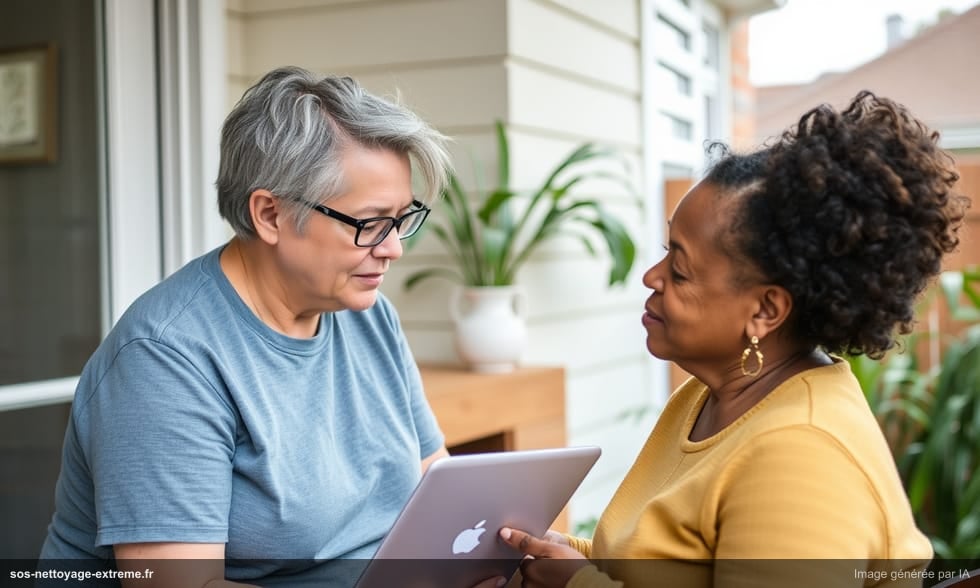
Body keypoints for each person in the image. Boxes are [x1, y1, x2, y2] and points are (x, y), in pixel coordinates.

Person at [476, 91, 970, 588]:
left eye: (681, 269)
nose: (651, 276)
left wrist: (577, 584)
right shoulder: (704, 400)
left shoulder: (800, 455)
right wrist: (561, 558)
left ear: (764, 311)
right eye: (665, 251)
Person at [38, 66, 453, 587]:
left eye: (402, 218)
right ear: (270, 215)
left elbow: (436, 480)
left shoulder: (367, 313)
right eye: (370, 224)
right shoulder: (166, 358)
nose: (393, 248)